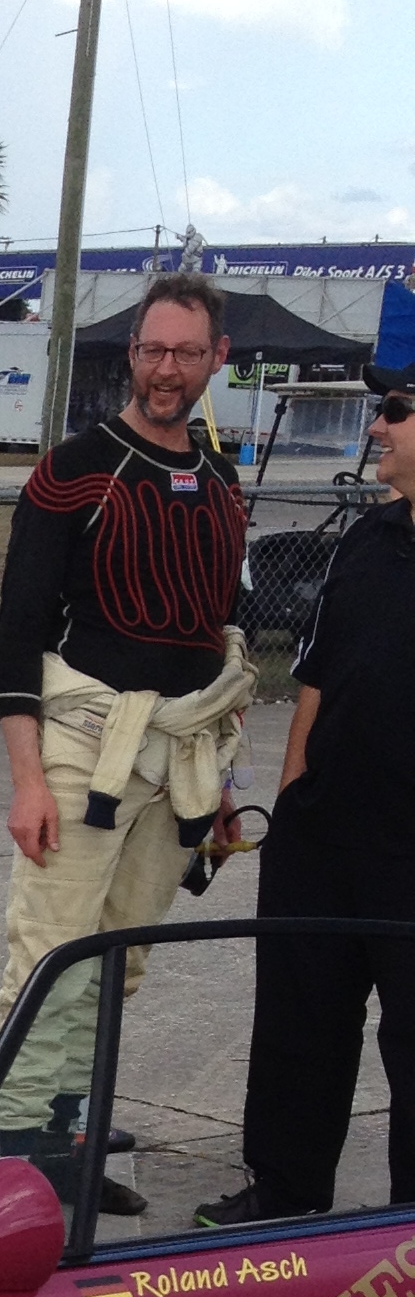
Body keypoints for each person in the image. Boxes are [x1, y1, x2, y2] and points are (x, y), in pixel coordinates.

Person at [0, 272, 254, 1213]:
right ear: (130, 352)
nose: (165, 369)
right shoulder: (76, 469)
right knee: (51, 953)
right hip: (85, 747)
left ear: (218, 357)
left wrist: (221, 778)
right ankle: (18, 1172)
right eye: (151, 349)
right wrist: (29, 780)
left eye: (185, 351)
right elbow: (17, 635)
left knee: (118, 956)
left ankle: (68, 1128)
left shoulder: (220, 481)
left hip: (182, 756)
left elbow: (222, 633)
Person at [203, 380, 415, 1225]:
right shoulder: (368, 537)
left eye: (397, 410)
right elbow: (316, 680)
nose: (378, 426)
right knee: (299, 1029)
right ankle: (286, 1197)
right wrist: (292, 804)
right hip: (325, 837)